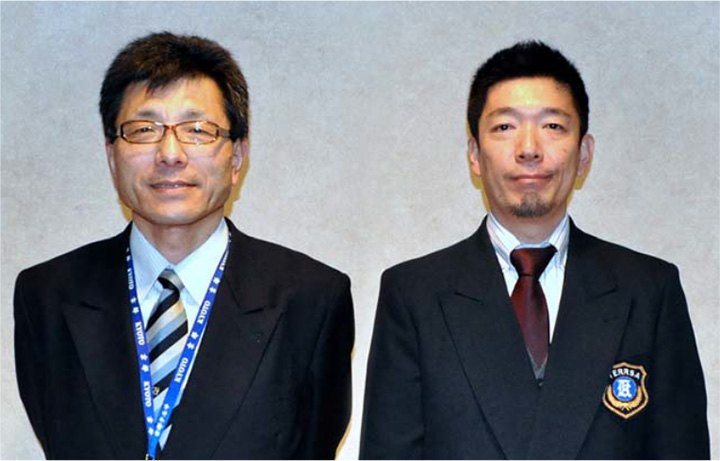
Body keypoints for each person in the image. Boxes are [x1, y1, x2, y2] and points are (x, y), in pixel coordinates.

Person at [360, 41, 709, 459]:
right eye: (505, 127)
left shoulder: (649, 290)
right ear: (474, 154)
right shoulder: (414, 294)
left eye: (553, 126)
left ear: (584, 154)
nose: (528, 148)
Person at [14, 32, 354, 460]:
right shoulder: (47, 294)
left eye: (197, 130)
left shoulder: (312, 298)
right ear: (112, 155)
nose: (170, 153)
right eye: (144, 130)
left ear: (236, 157)